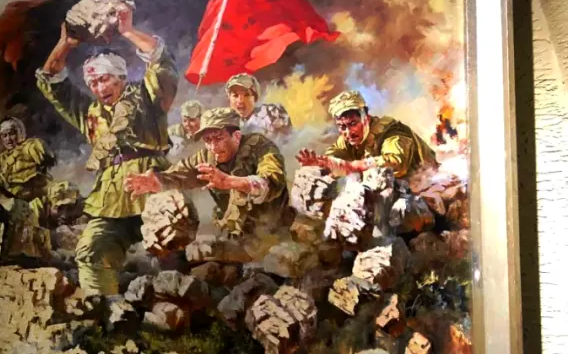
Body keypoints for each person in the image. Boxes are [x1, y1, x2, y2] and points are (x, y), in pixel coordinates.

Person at [36, 0, 178, 296]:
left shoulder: (147, 97)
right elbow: (50, 81)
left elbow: (161, 60)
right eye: (93, 83)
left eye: (105, 79)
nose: (99, 88)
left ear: (121, 77)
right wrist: (65, 44)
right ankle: (106, 309)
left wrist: (127, 31)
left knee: (170, 252)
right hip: (110, 195)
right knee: (91, 252)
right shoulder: (90, 112)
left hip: (153, 184)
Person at [125, 107, 288, 239]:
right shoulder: (207, 156)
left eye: (218, 138)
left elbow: (273, 181)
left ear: (237, 136)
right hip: (238, 234)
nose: (213, 147)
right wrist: (157, 180)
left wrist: (230, 182)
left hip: (275, 229)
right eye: (208, 140)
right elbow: (181, 173)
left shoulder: (260, 146)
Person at [297, 90, 437, 179]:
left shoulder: (392, 132)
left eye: (353, 123)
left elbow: (396, 163)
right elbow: (336, 154)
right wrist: (322, 163)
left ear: (367, 119)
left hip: (428, 185)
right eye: (342, 126)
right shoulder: (347, 138)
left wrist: (353, 166)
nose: (348, 132)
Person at [225, 73, 291, 141]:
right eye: (235, 95)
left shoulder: (270, 113)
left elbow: (290, 138)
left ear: (255, 98)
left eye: (246, 95)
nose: (240, 100)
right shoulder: (225, 124)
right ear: (229, 99)